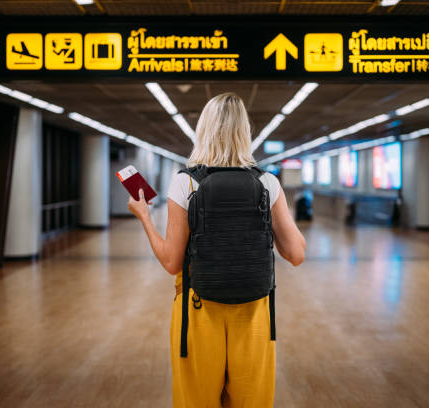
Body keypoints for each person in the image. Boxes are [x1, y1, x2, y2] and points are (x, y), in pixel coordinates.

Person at [128, 92, 306, 407]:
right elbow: (296, 253)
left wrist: (144, 216)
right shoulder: (267, 183)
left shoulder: (185, 183)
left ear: (204, 129)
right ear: (245, 132)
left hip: (197, 311)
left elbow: (172, 261)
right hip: (254, 311)